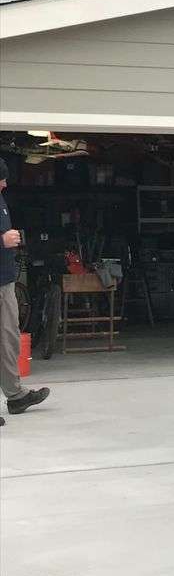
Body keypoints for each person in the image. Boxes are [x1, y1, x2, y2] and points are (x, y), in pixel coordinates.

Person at [1, 156, 50, 424]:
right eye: (2, 178)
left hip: (5, 281)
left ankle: (15, 395)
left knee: (8, 340)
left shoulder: (1, 200)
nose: (5, 183)